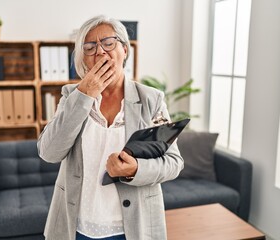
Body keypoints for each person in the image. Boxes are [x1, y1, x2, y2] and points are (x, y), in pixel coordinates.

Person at [37, 15, 184, 240]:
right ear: (83, 59)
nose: (100, 52)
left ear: (124, 50)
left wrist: (135, 169)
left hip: (135, 227)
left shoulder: (151, 99)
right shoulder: (71, 96)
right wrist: (84, 95)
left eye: (108, 42)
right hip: (76, 225)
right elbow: (49, 153)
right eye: (89, 47)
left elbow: (173, 163)